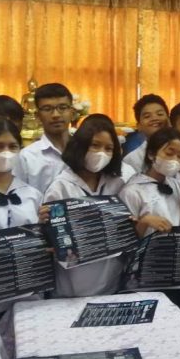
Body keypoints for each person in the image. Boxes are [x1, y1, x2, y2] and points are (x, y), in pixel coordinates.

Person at [43, 114, 128, 297]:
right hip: (71, 285)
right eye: (95, 145)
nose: (101, 153)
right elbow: (52, 237)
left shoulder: (117, 184)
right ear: (81, 146)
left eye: (108, 148)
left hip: (110, 281)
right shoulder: (61, 186)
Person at [119, 127, 180, 238]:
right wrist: (144, 222)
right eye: (169, 153)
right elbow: (126, 238)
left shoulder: (177, 185)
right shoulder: (133, 190)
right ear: (151, 154)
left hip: (176, 247)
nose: (175, 160)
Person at [15, 82, 74, 193]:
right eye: (47, 109)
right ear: (38, 116)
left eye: (62, 107)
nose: (56, 115)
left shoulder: (85, 150)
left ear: (72, 112)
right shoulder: (27, 157)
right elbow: (19, 197)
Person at [122, 94, 170, 174]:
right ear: (139, 126)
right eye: (147, 116)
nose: (154, 118)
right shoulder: (132, 160)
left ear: (169, 119)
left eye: (160, 114)